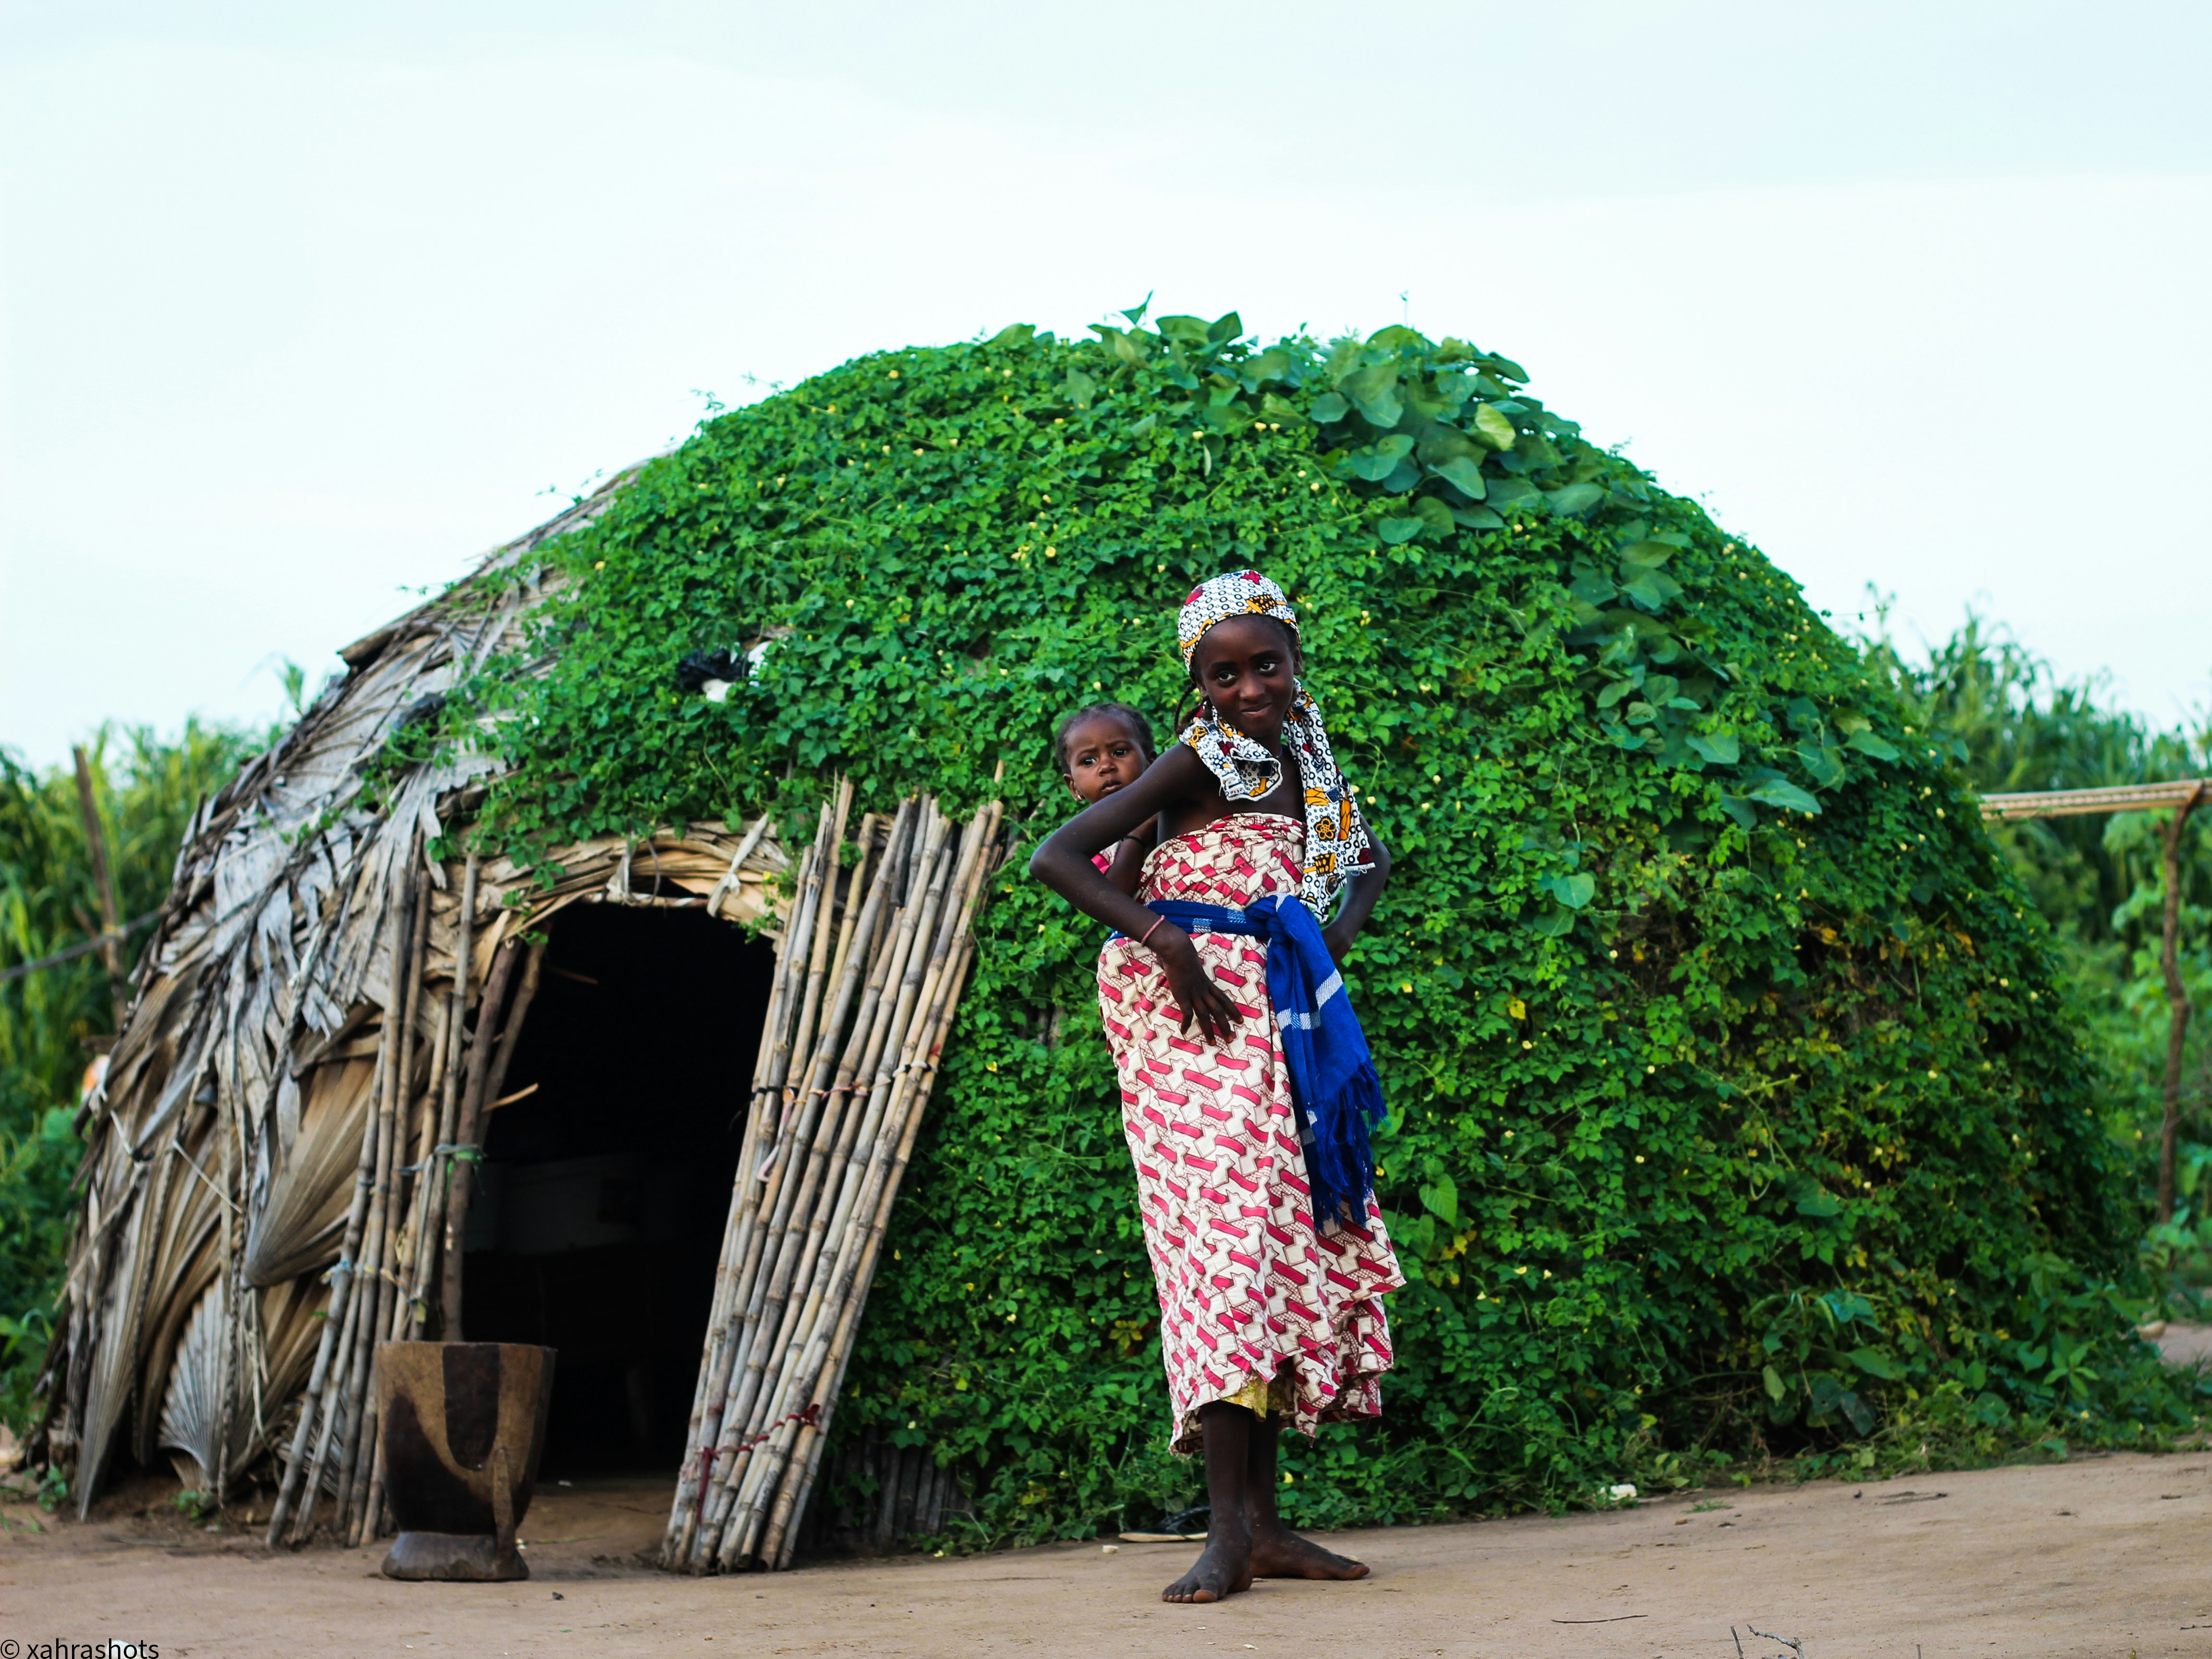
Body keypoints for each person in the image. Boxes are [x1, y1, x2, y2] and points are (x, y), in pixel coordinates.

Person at [1030, 570, 1403, 1605]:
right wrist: (1169, 941)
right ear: (1198, 685)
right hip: (1190, 1015)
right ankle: (1228, 1534)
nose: (1250, 688)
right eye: (1225, 674)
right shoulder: (1205, 759)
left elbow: (1370, 860)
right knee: (1229, 1253)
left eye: (1265, 665)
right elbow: (1057, 857)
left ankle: (1268, 1532)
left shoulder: (1308, 759)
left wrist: (1325, 944)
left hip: (1281, 1013)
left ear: (1294, 661)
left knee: (1279, 1249)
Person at [1053, 701, 1159, 893]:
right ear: (1073, 786)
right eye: (1088, 761)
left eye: (1119, 752)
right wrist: (1139, 833)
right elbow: (1113, 901)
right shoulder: (1088, 850)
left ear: (1151, 761)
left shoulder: (1174, 806)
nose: (1106, 766)